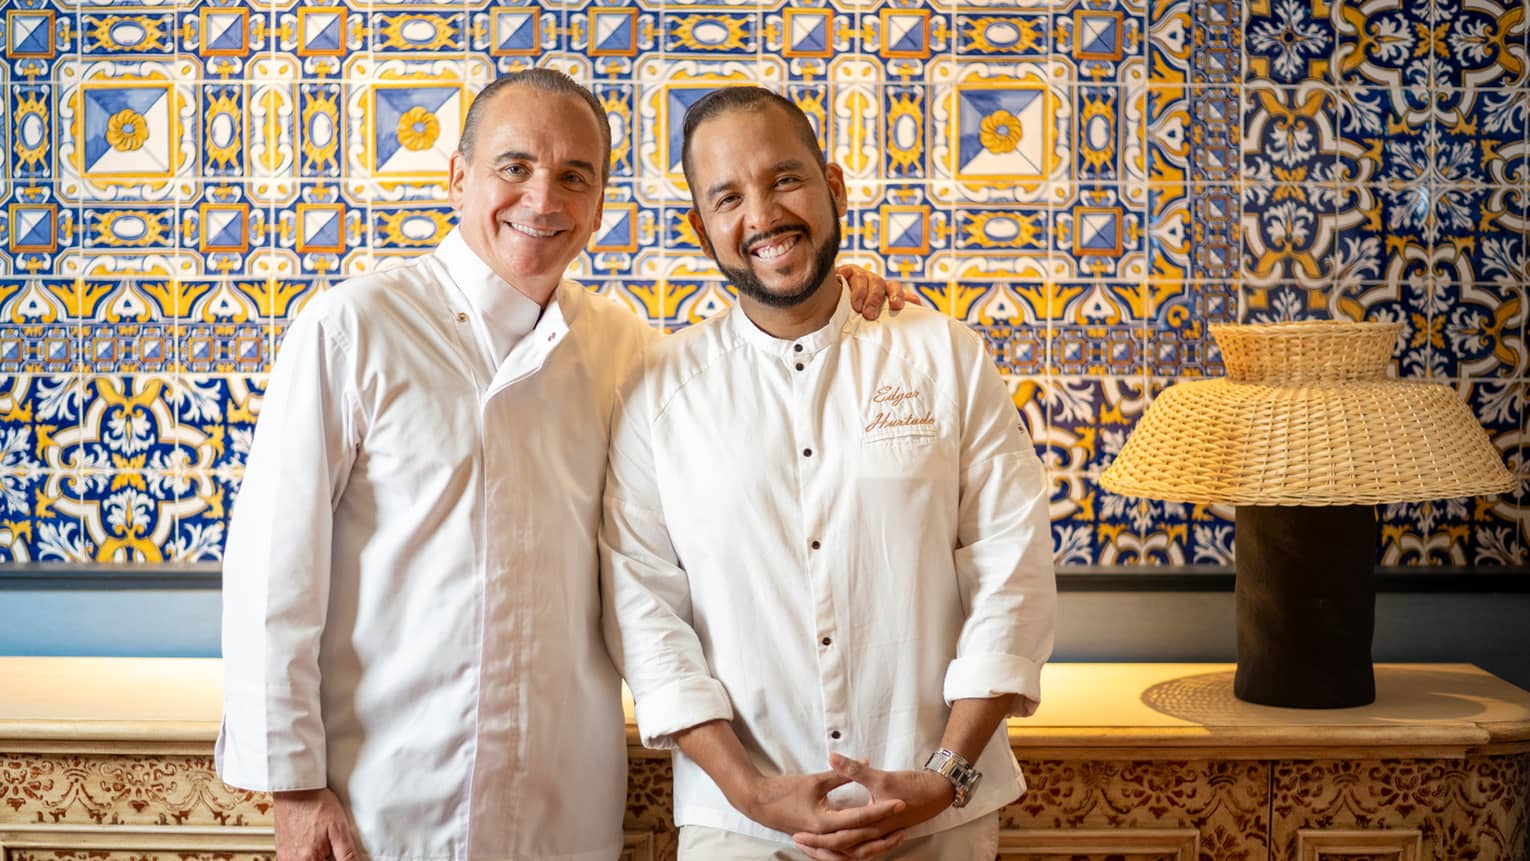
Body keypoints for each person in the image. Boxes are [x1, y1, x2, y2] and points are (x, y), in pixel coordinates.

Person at [215, 69, 907, 861]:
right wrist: (295, 789)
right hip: (385, 802)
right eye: (514, 167)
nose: (542, 199)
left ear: (599, 205)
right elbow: (274, 572)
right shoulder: (353, 327)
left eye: (575, 177)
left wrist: (838, 304)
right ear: (457, 178)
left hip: (565, 802)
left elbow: (749, 383)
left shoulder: (623, 345)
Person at [601, 86, 1057, 861]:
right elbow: (645, 613)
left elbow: (1010, 567)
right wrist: (752, 793)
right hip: (740, 827)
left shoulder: (943, 354)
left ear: (834, 187)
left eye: (785, 179)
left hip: (938, 817)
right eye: (728, 197)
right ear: (701, 228)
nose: (763, 215)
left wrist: (945, 775)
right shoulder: (655, 393)